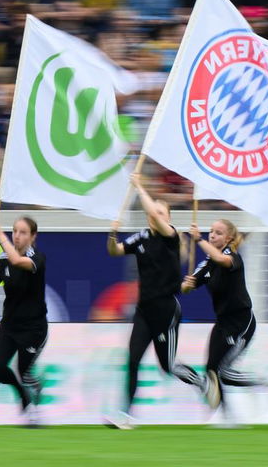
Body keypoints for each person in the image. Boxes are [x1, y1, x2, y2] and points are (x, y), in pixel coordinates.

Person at [106, 177, 204, 428]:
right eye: (155, 211)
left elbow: (152, 212)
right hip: (144, 310)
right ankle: (126, 415)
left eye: (161, 212)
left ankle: (202, 382)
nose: (156, 215)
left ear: (168, 218)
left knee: (168, 366)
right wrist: (112, 233)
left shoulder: (171, 236)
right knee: (133, 360)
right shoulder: (141, 238)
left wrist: (139, 186)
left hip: (166, 310)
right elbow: (114, 251)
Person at [181, 217, 256, 424]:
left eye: (219, 233)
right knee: (211, 369)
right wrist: (187, 285)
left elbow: (222, 261)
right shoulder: (206, 264)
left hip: (242, 321)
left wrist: (198, 241)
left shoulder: (231, 256)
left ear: (229, 238)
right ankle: (226, 416)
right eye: (211, 231)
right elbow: (187, 286)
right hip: (223, 322)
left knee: (222, 371)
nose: (212, 235)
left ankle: (260, 384)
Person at [0, 216, 48, 426]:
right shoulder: (2, 259)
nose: (17, 236)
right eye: (14, 231)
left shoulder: (37, 257)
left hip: (33, 328)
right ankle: (23, 395)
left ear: (33, 236)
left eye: (23, 232)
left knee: (24, 372)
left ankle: (32, 405)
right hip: (9, 326)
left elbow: (18, 261)